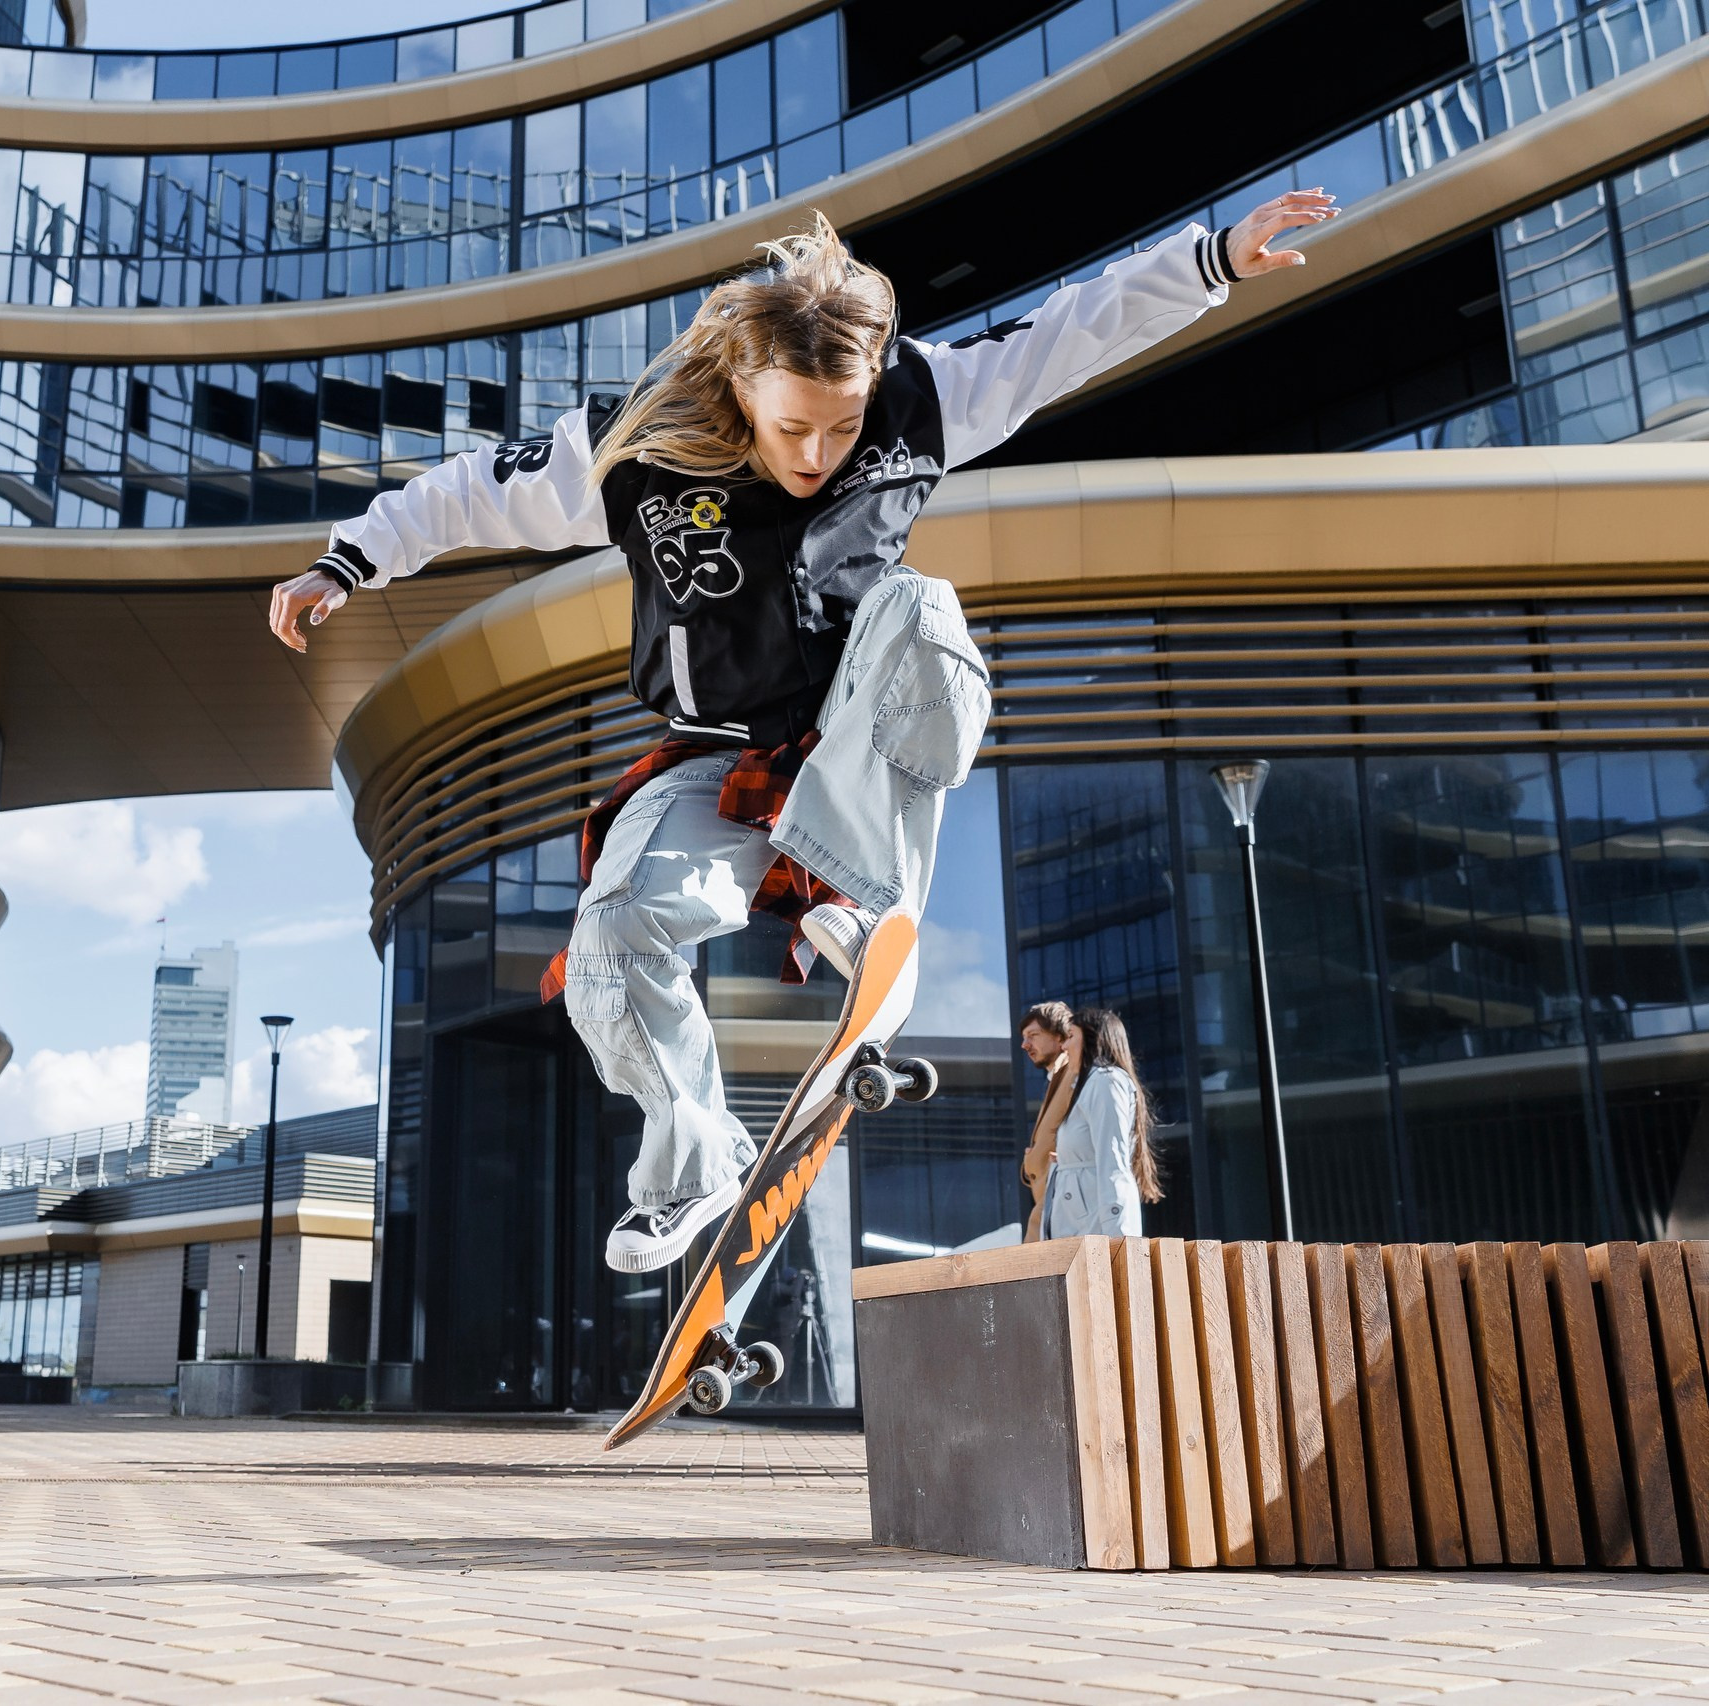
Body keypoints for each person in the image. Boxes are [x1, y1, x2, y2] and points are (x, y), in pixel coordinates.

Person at [269, 193, 1335, 1272]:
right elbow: (471, 494)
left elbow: (1068, 332)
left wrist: (1212, 261)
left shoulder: (920, 398)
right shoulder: (637, 449)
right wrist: (349, 557)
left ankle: (864, 895)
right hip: (717, 755)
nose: (820, 451)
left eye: (842, 424)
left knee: (920, 610)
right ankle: (694, 1164)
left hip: (860, 742)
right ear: (738, 386)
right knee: (607, 939)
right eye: (792, 428)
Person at [1043, 1006, 1163, 1238]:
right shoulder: (1090, 1084)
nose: (1064, 1046)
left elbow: (1113, 1159)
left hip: (1094, 1233)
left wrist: (1119, 1239)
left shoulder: (1105, 1082)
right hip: (1081, 1231)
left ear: (1093, 1039)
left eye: (1070, 1036)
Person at [1016, 1002, 1079, 1241]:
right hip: (1050, 1201)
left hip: (1061, 1204)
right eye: (1024, 1037)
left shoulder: (1075, 1074)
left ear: (1060, 1036)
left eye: (1033, 1035)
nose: (1025, 1045)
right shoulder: (1057, 1077)